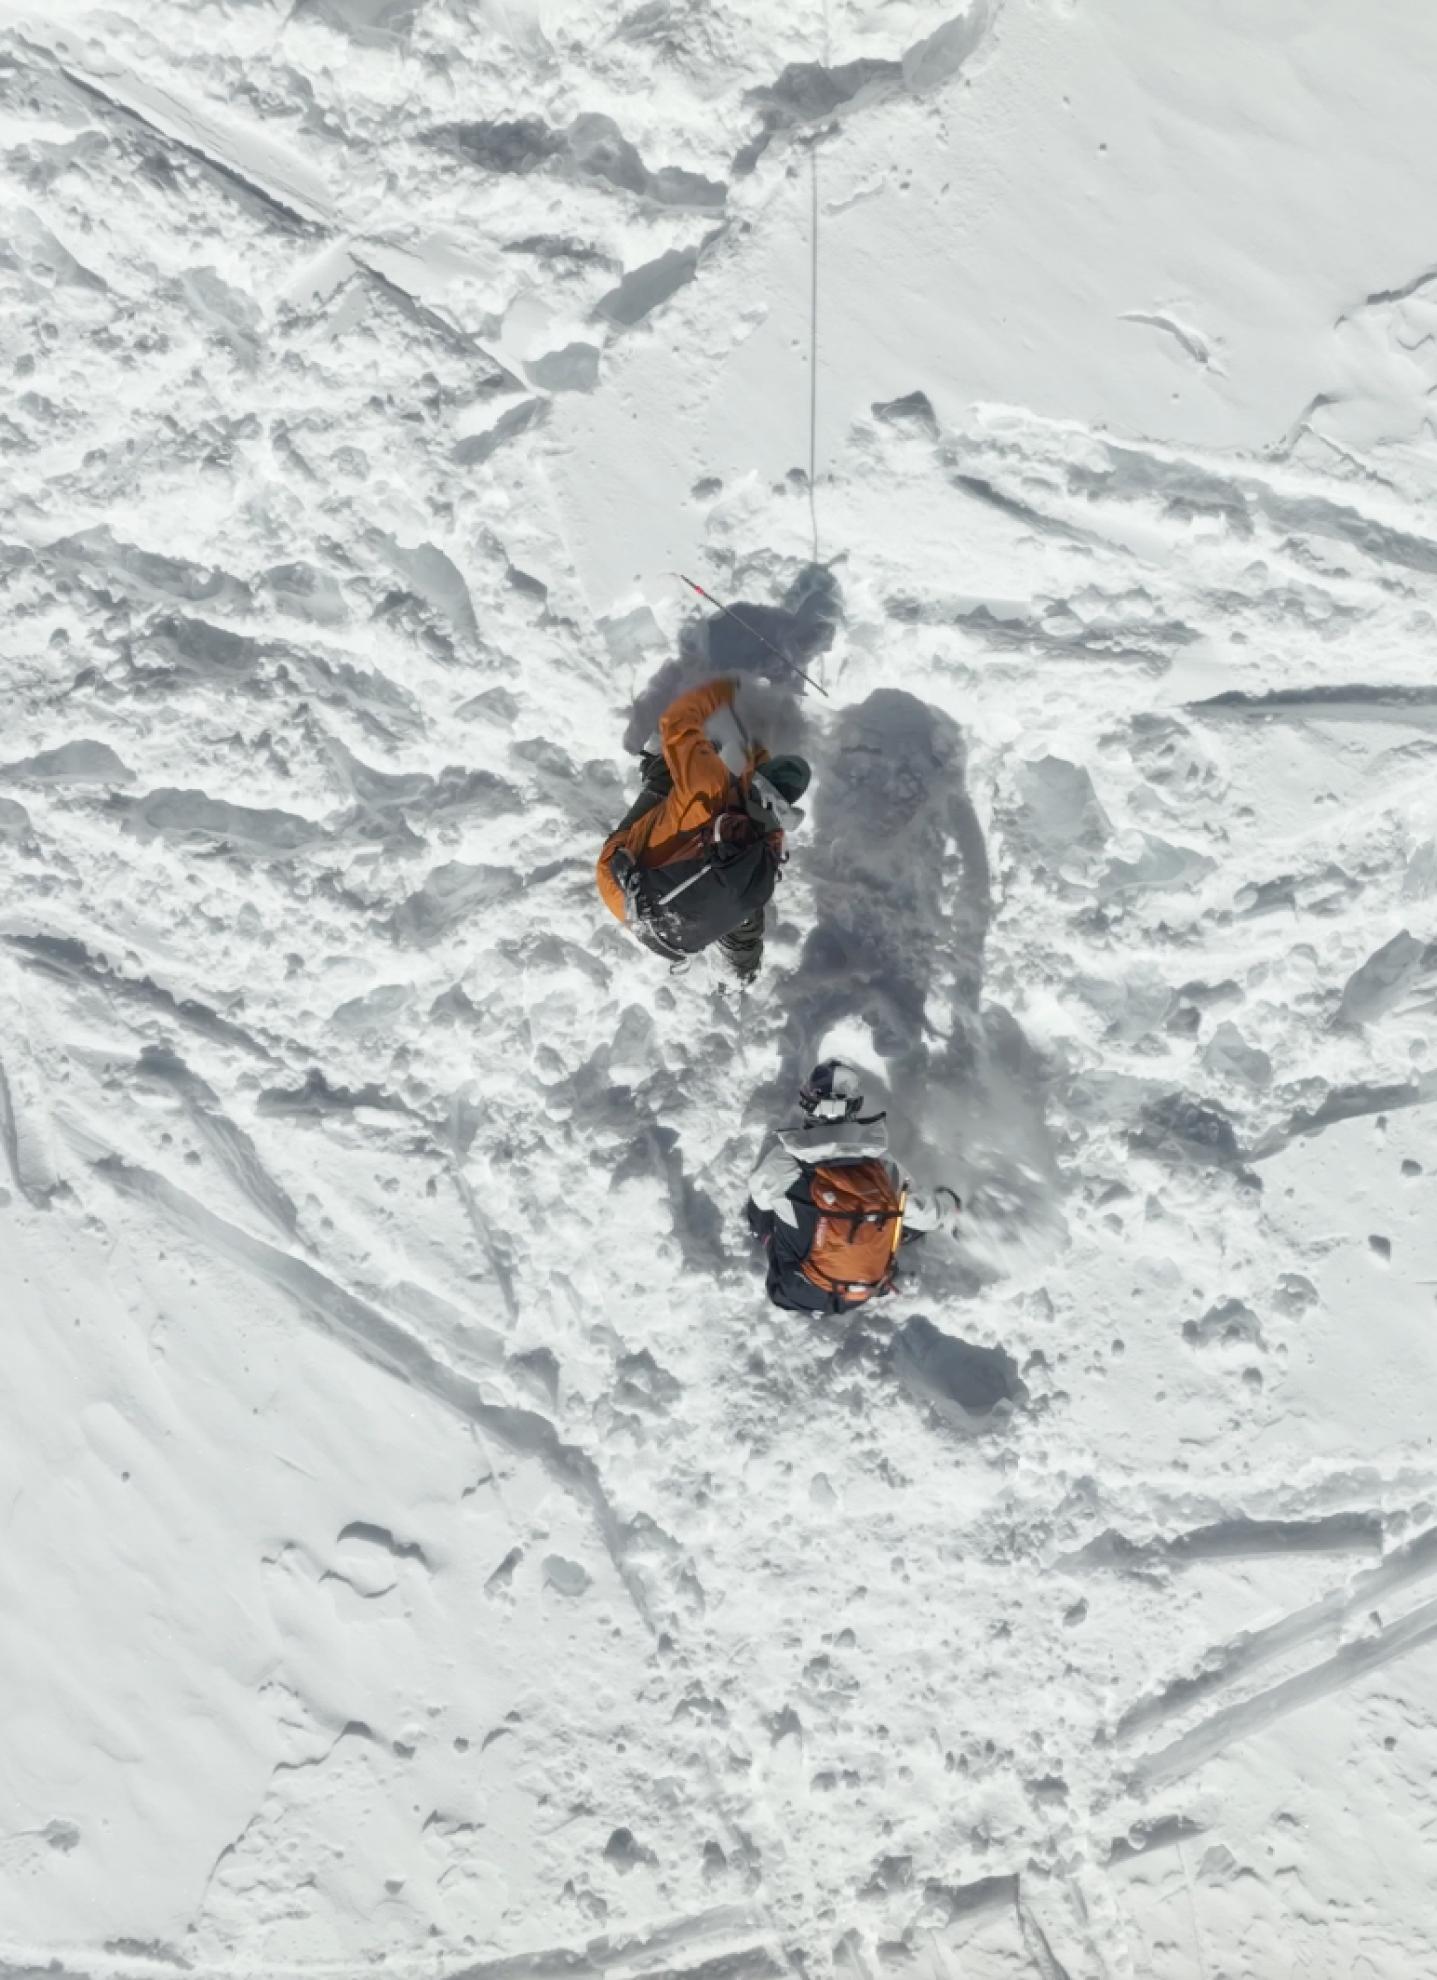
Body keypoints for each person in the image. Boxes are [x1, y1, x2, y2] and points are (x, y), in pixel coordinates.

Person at [597, 676, 811, 980]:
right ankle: (741, 970)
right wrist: (757, 744)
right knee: (740, 891)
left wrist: (725, 687)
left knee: (669, 782)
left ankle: (660, 767)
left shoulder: (706, 787)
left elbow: (677, 720)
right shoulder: (771, 838)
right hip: (676, 931)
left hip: (620, 889)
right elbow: (756, 790)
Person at [746, 1060, 960, 1314]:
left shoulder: (787, 1161)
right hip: (861, 1292)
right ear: (853, 1108)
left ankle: (773, 1241)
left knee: (762, 1211)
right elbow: (922, 1215)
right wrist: (948, 1205)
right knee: (898, 1212)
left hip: (795, 1290)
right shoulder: (881, 1164)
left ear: (807, 1103)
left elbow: (760, 1199)